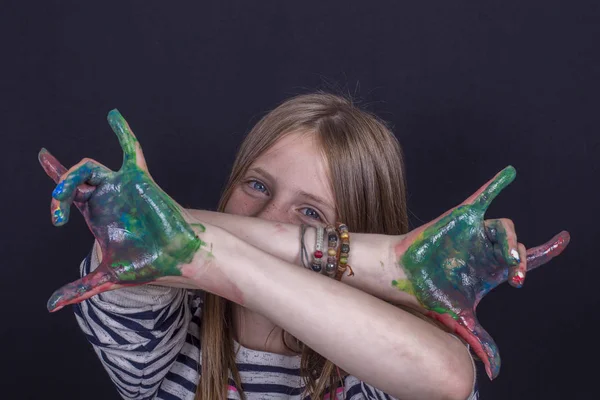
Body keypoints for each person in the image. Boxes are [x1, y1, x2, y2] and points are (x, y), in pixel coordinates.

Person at [39, 92, 568, 400]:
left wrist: (210, 251)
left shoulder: (372, 365)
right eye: (258, 186)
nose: (272, 217)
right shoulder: (167, 336)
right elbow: (140, 242)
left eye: (311, 213)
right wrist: (378, 259)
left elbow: (447, 378)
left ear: (361, 227)